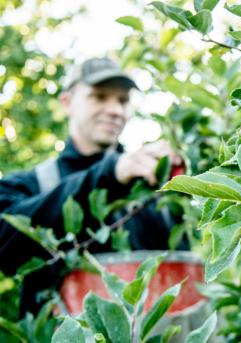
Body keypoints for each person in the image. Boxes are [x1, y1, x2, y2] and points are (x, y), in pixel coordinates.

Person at [0, 57, 186, 316]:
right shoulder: (30, 185)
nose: (115, 110)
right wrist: (110, 174)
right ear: (67, 103)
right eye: (99, 97)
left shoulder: (155, 194)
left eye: (122, 101)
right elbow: (4, 244)